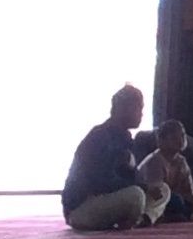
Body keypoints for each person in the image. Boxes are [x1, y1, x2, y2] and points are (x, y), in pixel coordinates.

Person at [63, 86, 168, 231]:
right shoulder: (100, 137)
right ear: (124, 108)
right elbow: (102, 182)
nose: (141, 114)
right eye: (139, 108)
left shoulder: (125, 139)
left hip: (108, 199)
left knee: (163, 189)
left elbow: (133, 177)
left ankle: (143, 219)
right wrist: (143, 187)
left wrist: (147, 187)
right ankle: (136, 217)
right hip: (83, 207)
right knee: (136, 195)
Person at [135, 120, 193, 223]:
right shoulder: (156, 160)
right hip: (153, 200)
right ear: (161, 141)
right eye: (174, 137)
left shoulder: (181, 161)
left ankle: (185, 214)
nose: (180, 140)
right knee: (176, 200)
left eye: (182, 136)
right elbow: (157, 193)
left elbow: (189, 191)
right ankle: (179, 215)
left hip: (177, 196)